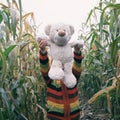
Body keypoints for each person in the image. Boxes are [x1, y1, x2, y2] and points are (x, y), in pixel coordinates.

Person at [38, 39, 83, 120]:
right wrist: (43, 51)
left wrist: (77, 51)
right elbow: (44, 67)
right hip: (55, 117)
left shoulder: (72, 77)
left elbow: (78, 64)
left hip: (73, 116)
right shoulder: (51, 78)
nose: (62, 64)